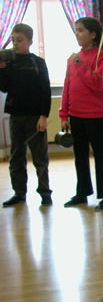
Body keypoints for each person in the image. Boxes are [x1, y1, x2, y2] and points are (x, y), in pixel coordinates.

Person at [59, 17, 103, 211]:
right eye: (76, 30)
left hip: (96, 115)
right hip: (75, 115)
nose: (77, 34)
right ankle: (82, 193)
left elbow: (98, 84)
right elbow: (67, 86)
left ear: (92, 34)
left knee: (100, 155)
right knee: (79, 156)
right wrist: (63, 114)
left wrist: (81, 66)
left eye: (81, 30)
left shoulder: (102, 57)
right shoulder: (72, 58)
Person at [0, 23, 52, 207]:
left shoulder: (37, 63)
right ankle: (19, 193)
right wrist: (2, 67)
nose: (15, 43)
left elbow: (45, 91)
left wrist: (43, 116)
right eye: (13, 40)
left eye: (19, 40)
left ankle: (45, 193)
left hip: (34, 117)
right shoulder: (10, 62)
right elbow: (4, 87)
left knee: (40, 158)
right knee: (16, 157)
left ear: (29, 41)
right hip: (16, 116)